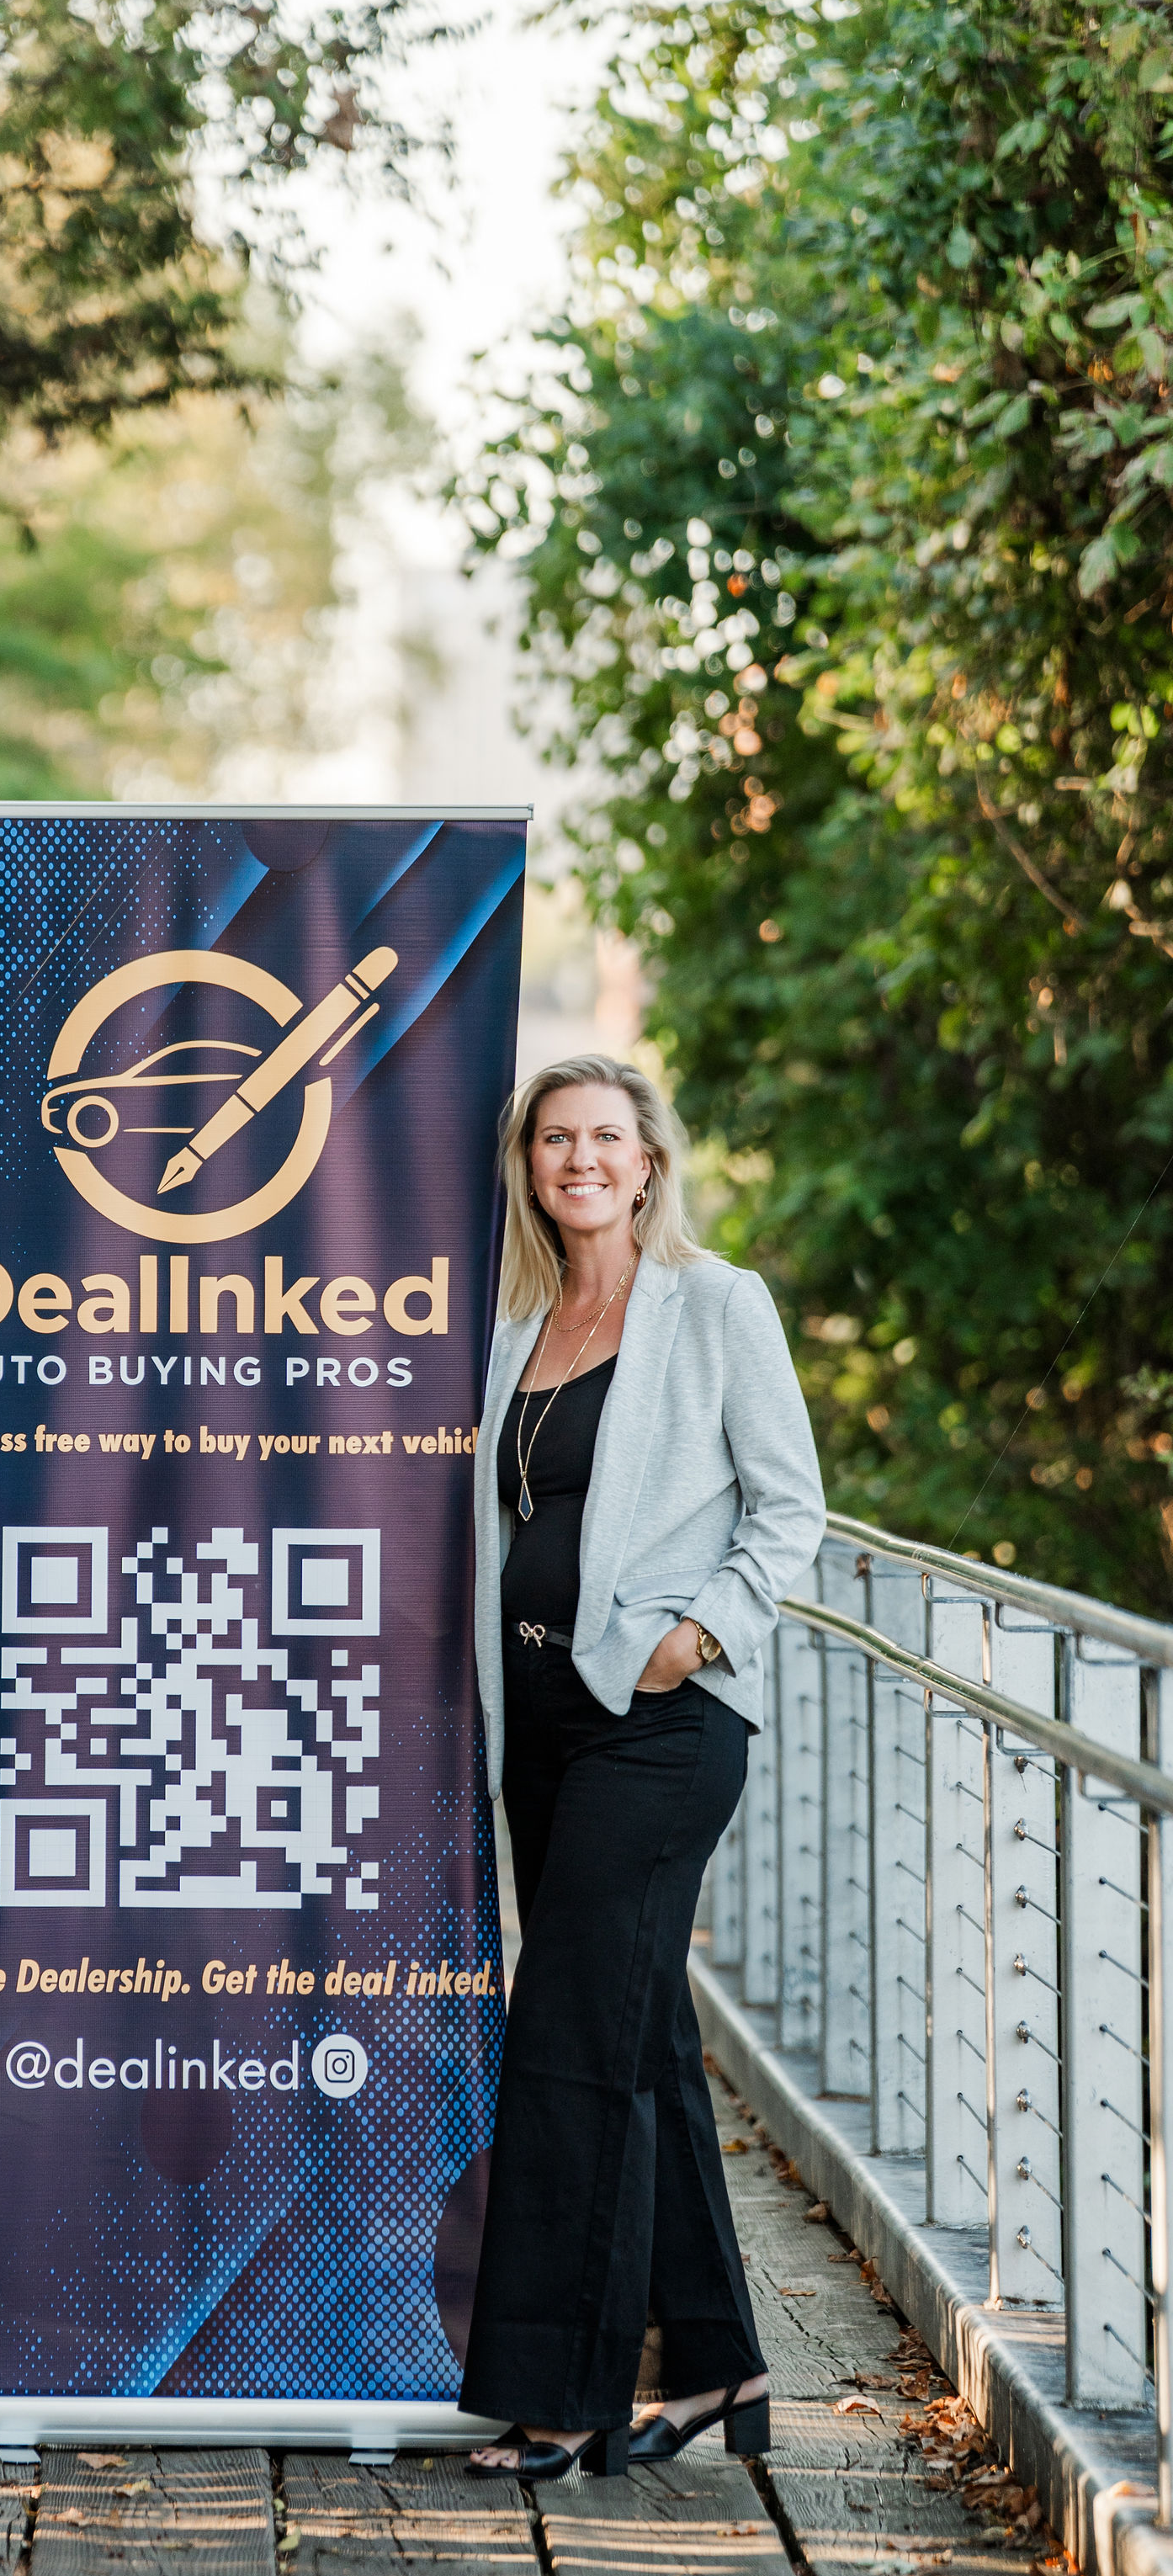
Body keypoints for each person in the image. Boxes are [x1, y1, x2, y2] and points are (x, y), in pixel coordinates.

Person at [457, 1054, 824, 2480]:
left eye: (606, 1137)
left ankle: (565, 2391)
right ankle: (716, 2367)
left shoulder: (714, 1306)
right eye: (556, 1140)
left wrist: (694, 1637)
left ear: (650, 1160)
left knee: (565, 2035)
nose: (580, 1160)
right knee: (640, 2038)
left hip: (661, 1726)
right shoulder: (519, 1333)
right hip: (538, 1724)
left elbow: (789, 1513)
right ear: (530, 1166)